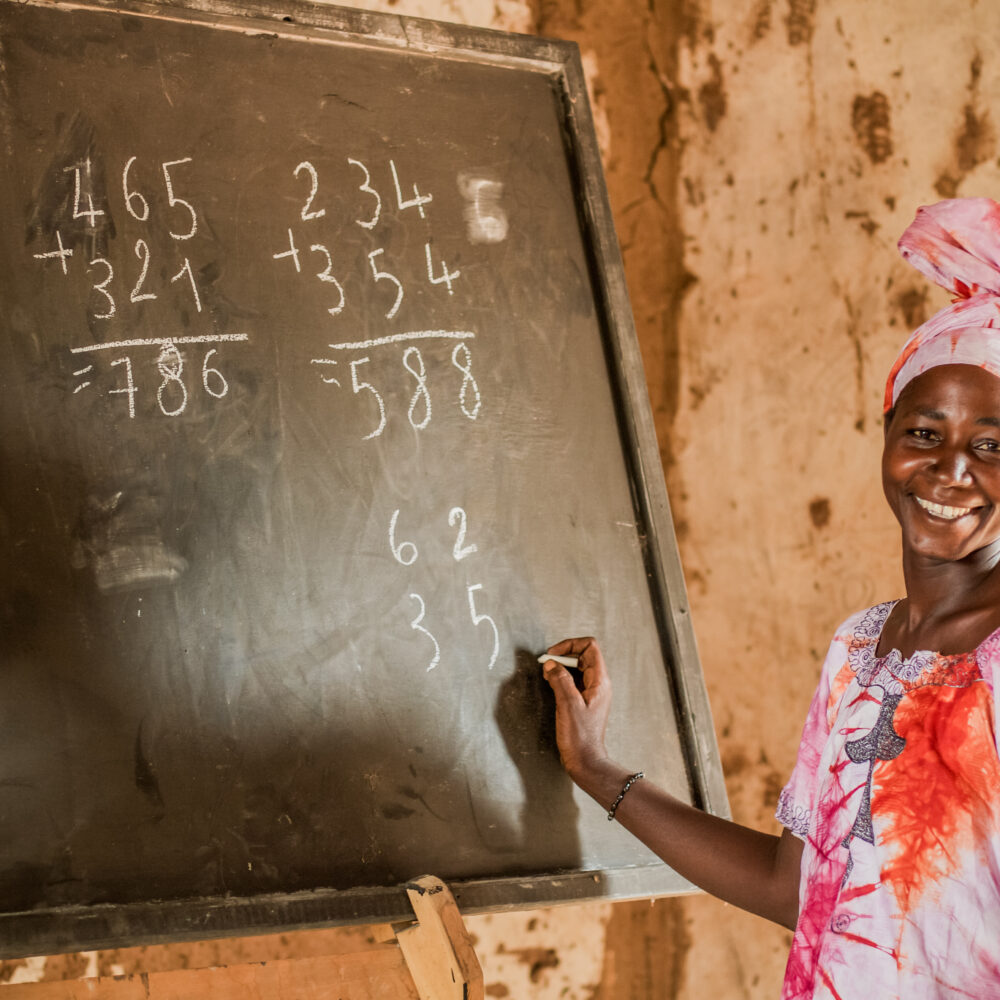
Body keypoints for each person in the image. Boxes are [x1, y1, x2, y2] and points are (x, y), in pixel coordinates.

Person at [542, 197, 1000, 999]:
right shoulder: (863, 648)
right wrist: (594, 767)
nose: (951, 471)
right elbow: (798, 889)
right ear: (888, 433)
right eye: (925, 432)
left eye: (993, 445)